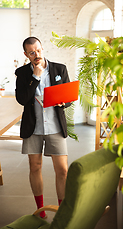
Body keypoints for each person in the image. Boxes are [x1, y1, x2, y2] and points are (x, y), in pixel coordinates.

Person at [15, 36, 71, 218]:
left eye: (38, 50)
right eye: (31, 52)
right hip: (34, 127)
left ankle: (62, 211)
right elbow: (22, 99)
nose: (36, 55)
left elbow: (68, 96)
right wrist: (35, 77)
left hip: (55, 126)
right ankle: (40, 210)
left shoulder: (59, 69)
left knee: (62, 169)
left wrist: (64, 102)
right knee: (35, 167)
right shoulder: (22, 74)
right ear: (26, 54)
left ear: (42, 48)